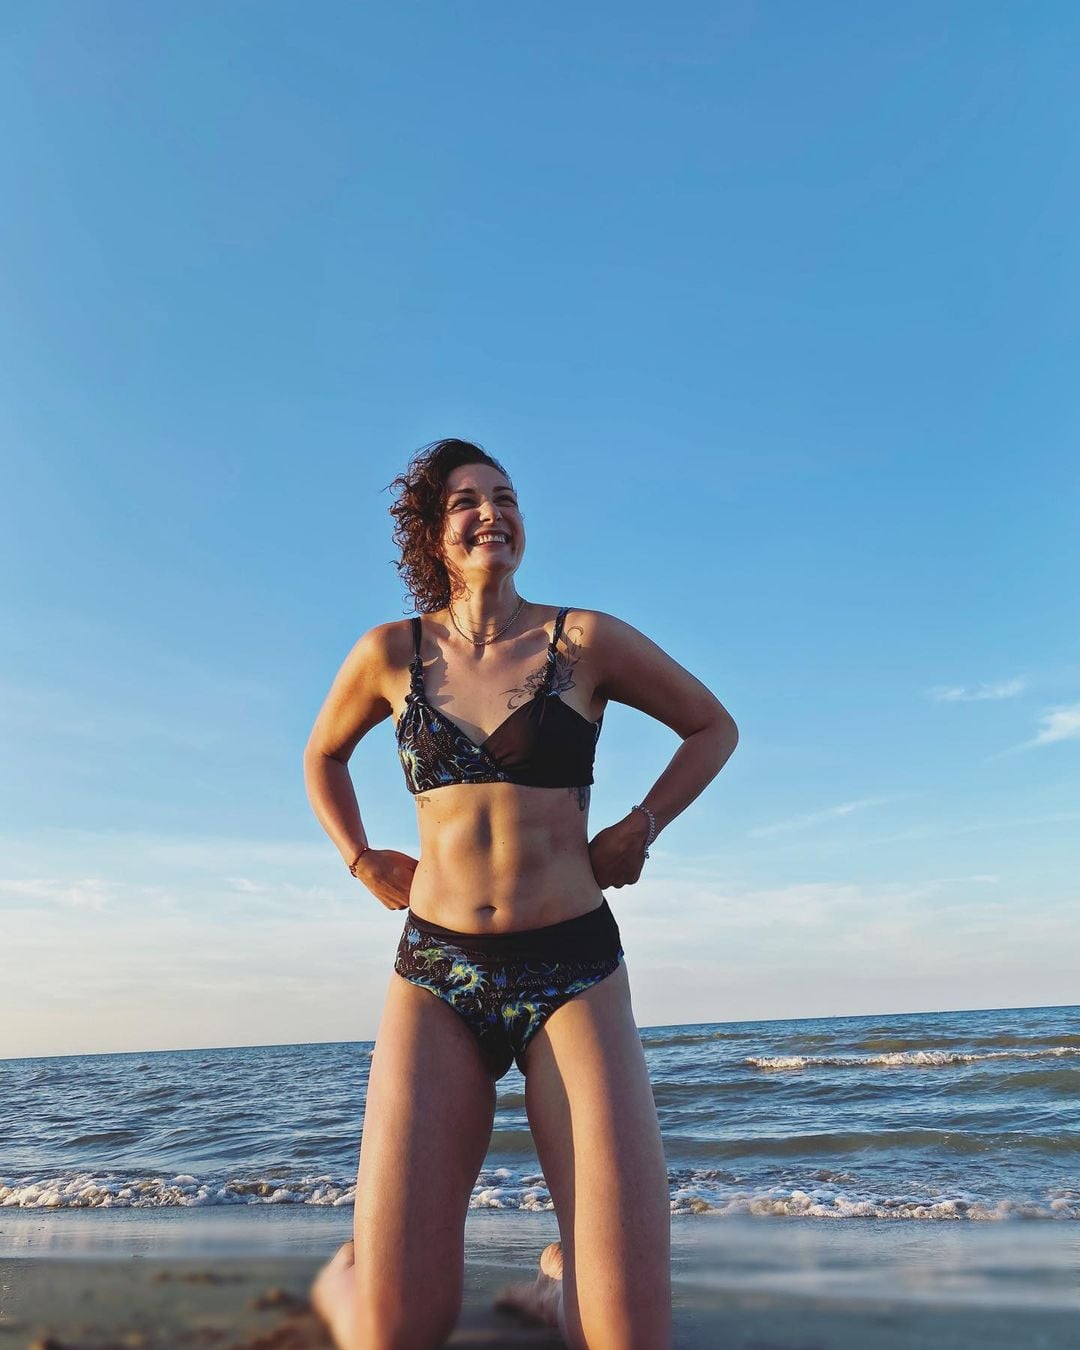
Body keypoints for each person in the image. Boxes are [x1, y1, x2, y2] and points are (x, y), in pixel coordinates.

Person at [303, 439, 738, 1349]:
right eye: (466, 501)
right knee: (393, 1333)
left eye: (504, 497)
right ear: (435, 534)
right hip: (438, 973)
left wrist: (642, 824)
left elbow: (711, 726)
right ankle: (347, 1281)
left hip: (573, 968)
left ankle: (556, 1285)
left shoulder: (584, 641)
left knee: (625, 1340)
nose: (490, 512)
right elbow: (324, 755)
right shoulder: (390, 652)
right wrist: (359, 857)